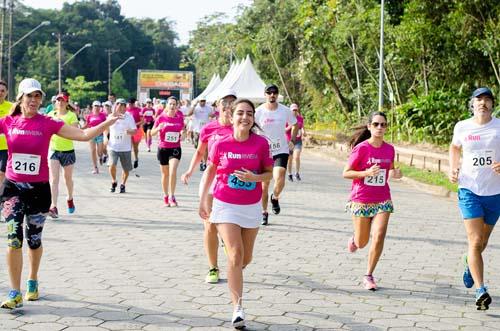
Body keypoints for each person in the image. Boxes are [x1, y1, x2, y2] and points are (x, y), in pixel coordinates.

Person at [0, 78, 119, 309]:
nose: (34, 100)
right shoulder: (8, 122)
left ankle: (32, 280)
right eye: (29, 96)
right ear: (21, 98)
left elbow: (83, 135)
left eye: (37, 96)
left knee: (33, 240)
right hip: (13, 188)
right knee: (14, 239)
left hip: (38, 190)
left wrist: (108, 122)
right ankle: (14, 292)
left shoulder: (48, 123)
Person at [199, 99, 273, 328]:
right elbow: (210, 171)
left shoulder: (261, 144)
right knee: (236, 254)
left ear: (253, 119)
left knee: (245, 258)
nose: (245, 117)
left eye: (249, 114)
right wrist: (202, 199)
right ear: (231, 117)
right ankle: (237, 308)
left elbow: (269, 173)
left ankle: (233, 265)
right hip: (224, 204)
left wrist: (255, 178)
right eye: (240, 113)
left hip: (251, 207)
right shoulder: (220, 143)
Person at [449, 87, 500, 310]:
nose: (483, 103)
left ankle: (469, 264)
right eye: (479, 100)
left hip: (495, 192)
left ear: (492, 105)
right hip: (469, 189)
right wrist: (453, 167)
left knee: (483, 241)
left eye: (487, 100)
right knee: (476, 241)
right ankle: (481, 290)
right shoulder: (462, 126)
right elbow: (454, 147)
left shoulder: (499, 127)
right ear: (472, 104)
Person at [343, 111, 402, 291]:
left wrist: (397, 174)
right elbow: (346, 173)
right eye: (376, 124)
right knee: (363, 242)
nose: (379, 127)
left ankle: (368, 275)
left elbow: (391, 170)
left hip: (382, 199)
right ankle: (354, 240)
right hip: (361, 199)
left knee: (379, 235)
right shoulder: (361, 148)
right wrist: (366, 173)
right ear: (369, 127)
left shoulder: (389, 149)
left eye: (383, 124)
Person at [181, 89, 236, 283]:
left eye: (232, 103)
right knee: (210, 224)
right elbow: (199, 152)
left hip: (233, 183)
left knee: (229, 225)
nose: (228, 107)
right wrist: (189, 171)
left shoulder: (243, 129)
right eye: (225, 103)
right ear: (217, 107)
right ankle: (213, 268)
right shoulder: (209, 128)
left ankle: (230, 251)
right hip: (212, 181)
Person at [255, 84, 298, 225]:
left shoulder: (285, 110)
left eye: (274, 93)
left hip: (281, 149)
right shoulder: (259, 111)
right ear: (265, 94)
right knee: (264, 185)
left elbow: (295, 124)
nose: (272, 95)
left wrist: (292, 140)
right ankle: (264, 212)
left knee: (280, 178)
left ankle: (275, 197)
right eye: (269, 93)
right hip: (264, 151)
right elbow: (251, 126)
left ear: (277, 95)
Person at [47, 92, 79, 218]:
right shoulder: (50, 115)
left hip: (68, 151)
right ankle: (53, 206)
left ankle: (70, 198)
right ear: (55, 102)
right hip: (54, 150)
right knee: (54, 179)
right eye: (58, 100)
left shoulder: (71, 116)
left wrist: (61, 125)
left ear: (66, 102)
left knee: (67, 179)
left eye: (62, 100)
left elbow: (76, 132)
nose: (60, 102)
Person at [151, 97, 184, 206]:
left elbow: (182, 130)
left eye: (174, 104)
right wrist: (158, 128)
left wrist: (183, 133)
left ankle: (172, 196)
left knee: (173, 170)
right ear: (167, 106)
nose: (172, 106)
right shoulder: (161, 118)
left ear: (177, 106)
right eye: (170, 104)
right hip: (163, 148)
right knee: (165, 174)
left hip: (175, 148)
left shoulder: (180, 118)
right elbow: (152, 133)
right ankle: (165, 196)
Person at [105, 98, 137, 193]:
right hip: (112, 146)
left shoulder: (129, 117)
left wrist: (129, 131)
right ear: (116, 106)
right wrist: (106, 138)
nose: (121, 107)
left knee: (126, 168)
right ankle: (114, 180)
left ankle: (123, 184)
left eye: (123, 106)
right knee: (112, 164)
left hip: (125, 147)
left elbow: (134, 131)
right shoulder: (111, 116)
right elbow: (105, 127)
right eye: (119, 105)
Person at [187, 98, 213, 166]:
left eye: (204, 101)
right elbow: (189, 114)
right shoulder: (196, 108)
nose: (203, 102)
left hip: (206, 131)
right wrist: (193, 106)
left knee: (206, 148)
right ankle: (201, 161)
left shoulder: (209, 108)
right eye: (201, 101)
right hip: (197, 130)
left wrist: (213, 115)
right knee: (198, 148)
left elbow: (212, 115)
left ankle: (205, 163)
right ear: (199, 101)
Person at [83, 101, 108, 174]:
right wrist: (80, 129)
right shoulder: (89, 116)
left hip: (100, 135)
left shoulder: (103, 115)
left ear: (100, 107)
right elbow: (87, 125)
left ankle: (101, 157)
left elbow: (106, 125)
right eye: (95, 106)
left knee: (99, 152)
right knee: (92, 150)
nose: (96, 107)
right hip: (91, 135)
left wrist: (106, 134)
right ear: (92, 107)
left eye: (98, 106)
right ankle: (95, 167)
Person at [286, 103, 306, 182]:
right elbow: (284, 130)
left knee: (296, 157)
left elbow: (302, 127)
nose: (294, 111)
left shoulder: (300, 118)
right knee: (289, 159)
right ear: (290, 111)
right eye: (293, 110)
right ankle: (289, 174)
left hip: (298, 141)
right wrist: (290, 126)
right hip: (289, 141)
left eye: (295, 110)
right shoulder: (287, 119)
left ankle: (297, 173)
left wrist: (304, 132)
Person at [0, 80, 12, 184]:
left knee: (2, 173)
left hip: (5, 147)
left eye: (3, 91)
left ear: (6, 93)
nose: (0, 93)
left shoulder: (12, 107)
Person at [126, 97, 143, 169]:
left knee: (135, 147)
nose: (129, 105)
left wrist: (134, 124)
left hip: (137, 130)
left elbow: (142, 121)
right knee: (128, 146)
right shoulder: (126, 110)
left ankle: (136, 158)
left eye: (131, 104)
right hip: (128, 131)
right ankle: (128, 162)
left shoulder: (139, 110)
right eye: (128, 104)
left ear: (133, 104)